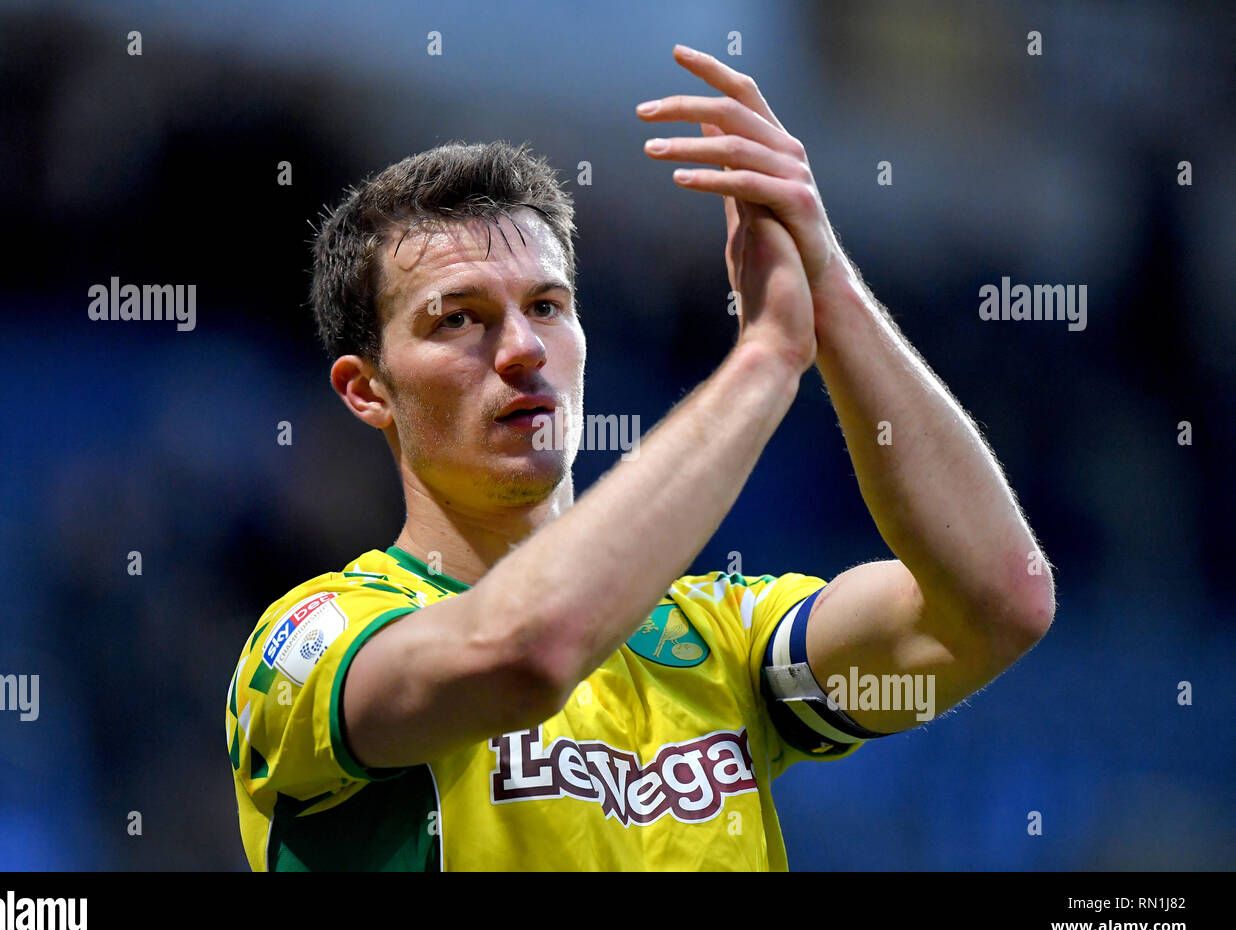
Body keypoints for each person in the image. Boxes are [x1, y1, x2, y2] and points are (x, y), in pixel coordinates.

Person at [226, 44, 1054, 871]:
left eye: (547, 306)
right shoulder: (315, 643)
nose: (522, 348)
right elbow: (527, 654)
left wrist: (826, 283)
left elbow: (998, 602)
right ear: (365, 390)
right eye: (458, 319)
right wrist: (766, 359)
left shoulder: (726, 644)